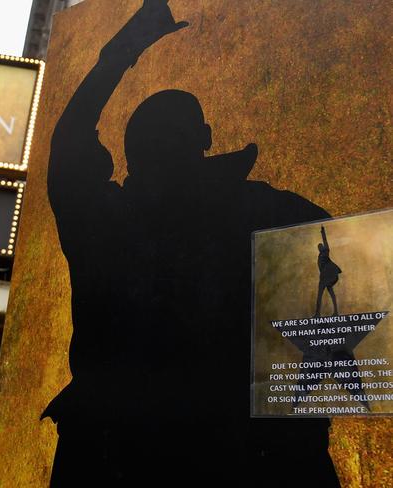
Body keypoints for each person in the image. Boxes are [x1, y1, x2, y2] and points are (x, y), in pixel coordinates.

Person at [45, 0, 338, 486]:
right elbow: (342, 296)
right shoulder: (272, 213)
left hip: (112, 457)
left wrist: (122, 51)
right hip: (238, 457)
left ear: (129, 151)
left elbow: (70, 143)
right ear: (204, 136)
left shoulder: (104, 222)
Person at [315, 225, 341, 316]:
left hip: (329, 275)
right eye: (319, 247)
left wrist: (322, 231)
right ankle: (319, 313)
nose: (320, 247)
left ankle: (333, 312)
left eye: (321, 246)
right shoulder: (320, 256)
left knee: (321, 294)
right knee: (327, 293)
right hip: (324, 277)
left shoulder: (326, 251)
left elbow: (325, 240)